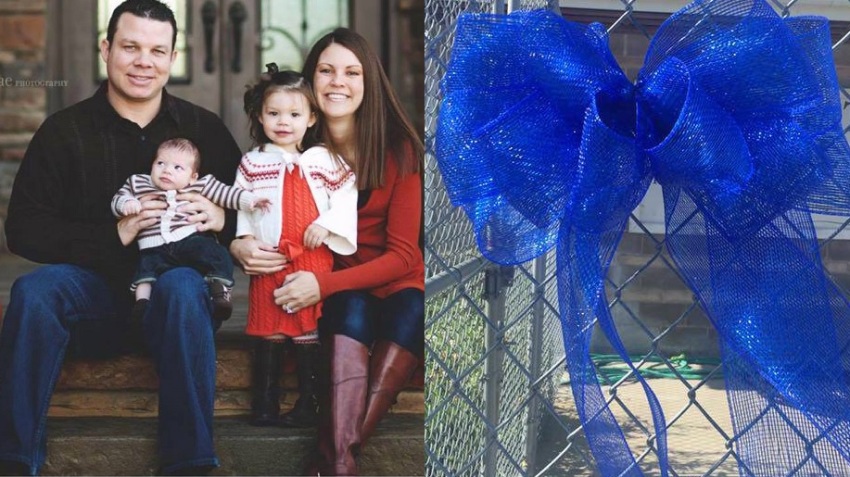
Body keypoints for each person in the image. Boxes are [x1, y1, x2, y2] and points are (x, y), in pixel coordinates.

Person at [0, 1, 242, 475]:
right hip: (98, 298)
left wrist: (219, 218)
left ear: (173, 58)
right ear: (105, 49)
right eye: (130, 47)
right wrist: (115, 232)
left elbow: (249, 208)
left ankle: (190, 464)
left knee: (183, 284)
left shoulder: (203, 130)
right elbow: (23, 229)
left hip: (178, 308)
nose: (143, 61)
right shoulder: (63, 131)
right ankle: (13, 459)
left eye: (157, 50)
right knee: (33, 291)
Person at [230, 28, 425, 476]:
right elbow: (253, 205)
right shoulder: (290, 144)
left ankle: (332, 460)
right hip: (331, 284)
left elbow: (403, 257)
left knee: (410, 311)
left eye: (351, 72)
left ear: (368, 82)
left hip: (385, 278)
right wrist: (239, 242)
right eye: (326, 70)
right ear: (310, 83)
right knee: (351, 312)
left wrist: (323, 284)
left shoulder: (399, 150)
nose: (338, 81)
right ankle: (337, 463)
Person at [237, 65, 357, 428]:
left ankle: (309, 401)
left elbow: (346, 197)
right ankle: (265, 401)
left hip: (311, 255)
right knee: (269, 324)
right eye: (273, 113)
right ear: (260, 115)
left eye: (294, 114)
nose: (283, 121)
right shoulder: (253, 162)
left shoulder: (324, 160)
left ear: (311, 118)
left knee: (306, 324)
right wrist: (245, 239)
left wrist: (325, 224)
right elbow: (242, 203)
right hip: (271, 257)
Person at [113, 137, 269, 325]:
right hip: (152, 245)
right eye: (160, 163)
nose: (167, 170)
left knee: (215, 253)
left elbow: (227, 194)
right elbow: (119, 197)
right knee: (145, 270)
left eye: (177, 167)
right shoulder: (138, 183)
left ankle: (220, 291)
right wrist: (127, 204)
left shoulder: (200, 185)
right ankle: (142, 304)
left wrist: (250, 201)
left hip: (188, 240)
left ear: (192, 176)